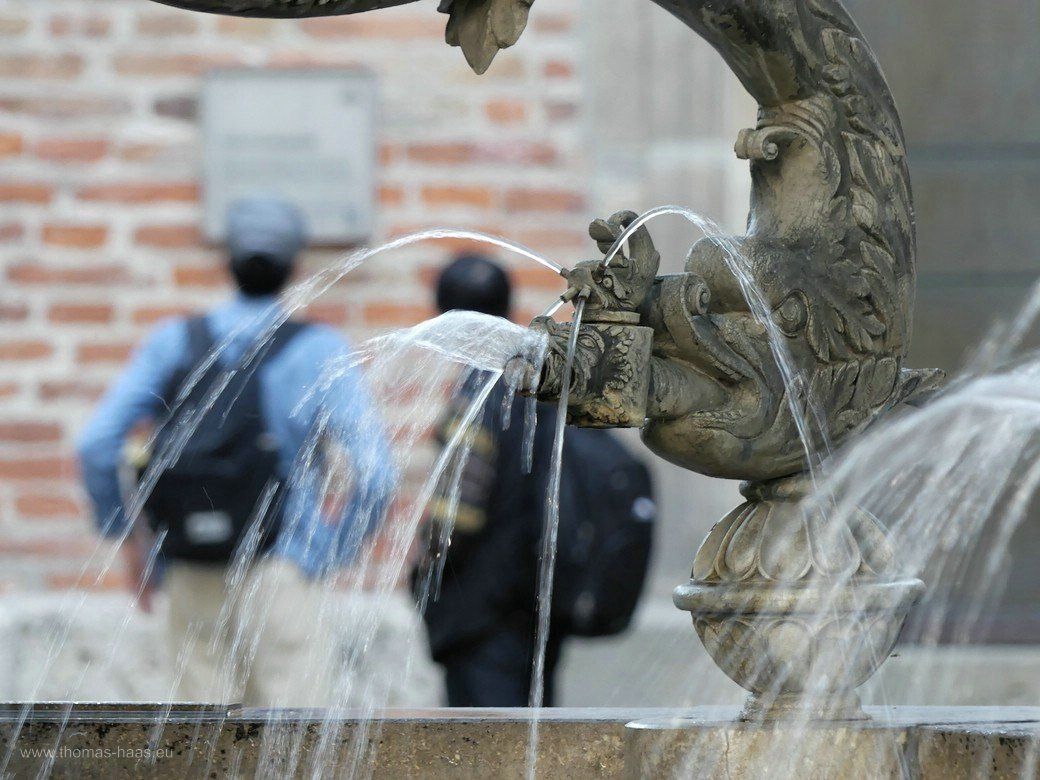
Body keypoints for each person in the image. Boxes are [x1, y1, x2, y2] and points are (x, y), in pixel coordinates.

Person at [78, 197, 396, 706]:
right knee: (292, 746)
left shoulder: (172, 342)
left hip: (190, 564)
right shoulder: (320, 350)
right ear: (294, 266)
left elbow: (96, 444)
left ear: (227, 261)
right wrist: (328, 551)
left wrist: (127, 537)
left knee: (205, 747)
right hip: (282, 568)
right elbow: (378, 476)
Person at [414, 253, 655, 708]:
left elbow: (454, 522)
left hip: (483, 615)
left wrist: (421, 576)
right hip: (536, 604)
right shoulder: (539, 384)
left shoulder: (477, 395)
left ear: (444, 316)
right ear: (507, 307)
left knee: (481, 749)